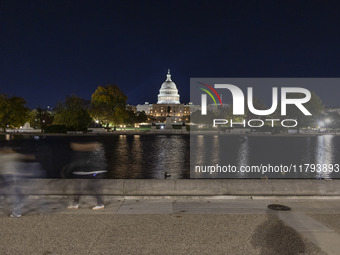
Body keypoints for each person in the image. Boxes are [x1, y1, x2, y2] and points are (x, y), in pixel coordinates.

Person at [62, 141, 107, 210]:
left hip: (86, 171)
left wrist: (67, 171)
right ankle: (99, 203)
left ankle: (76, 203)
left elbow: (77, 162)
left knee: (80, 187)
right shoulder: (91, 149)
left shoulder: (80, 150)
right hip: (91, 171)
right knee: (88, 186)